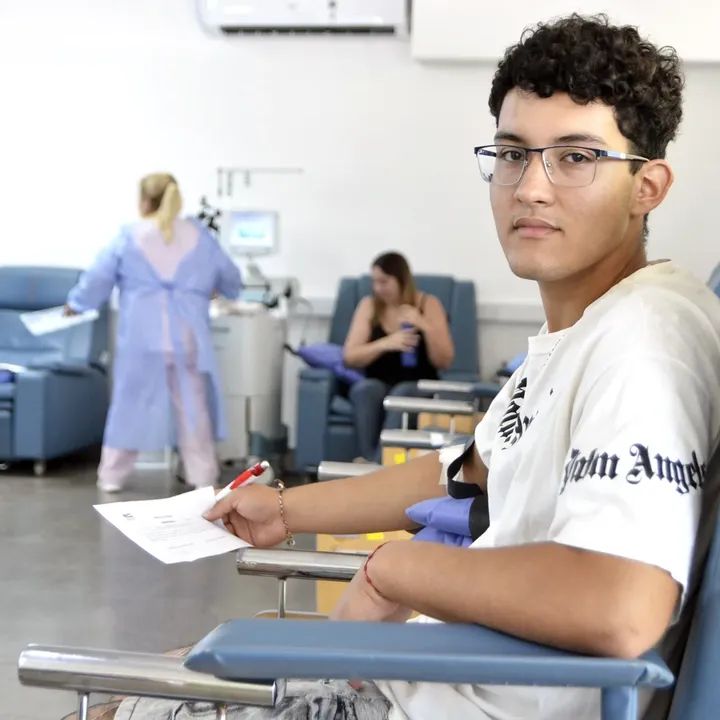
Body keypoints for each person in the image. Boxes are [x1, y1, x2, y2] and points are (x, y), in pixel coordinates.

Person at [101, 14, 720, 720]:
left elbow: (621, 604)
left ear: (647, 186)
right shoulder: (587, 329)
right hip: (432, 668)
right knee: (163, 674)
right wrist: (285, 509)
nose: (531, 187)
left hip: (458, 699)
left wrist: (401, 568)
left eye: (576, 157)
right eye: (513, 153)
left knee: (116, 701)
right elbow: (463, 471)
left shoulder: (644, 340)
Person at [65, 173, 241, 492]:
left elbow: (98, 278)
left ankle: (112, 476)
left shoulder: (130, 236)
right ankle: (203, 478)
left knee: (129, 405)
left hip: (142, 339)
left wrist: (76, 304)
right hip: (187, 338)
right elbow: (231, 278)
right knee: (193, 409)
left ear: (144, 200)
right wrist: (208, 288)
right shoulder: (199, 236)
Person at [343, 251, 455, 461]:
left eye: (384, 282)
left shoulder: (428, 304)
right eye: (375, 282)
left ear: (401, 280)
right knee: (365, 389)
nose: (378, 288)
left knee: (401, 393)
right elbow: (350, 357)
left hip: (418, 384)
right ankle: (372, 460)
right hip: (378, 381)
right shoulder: (369, 306)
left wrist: (424, 325)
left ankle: (375, 465)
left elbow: (444, 360)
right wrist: (385, 343)